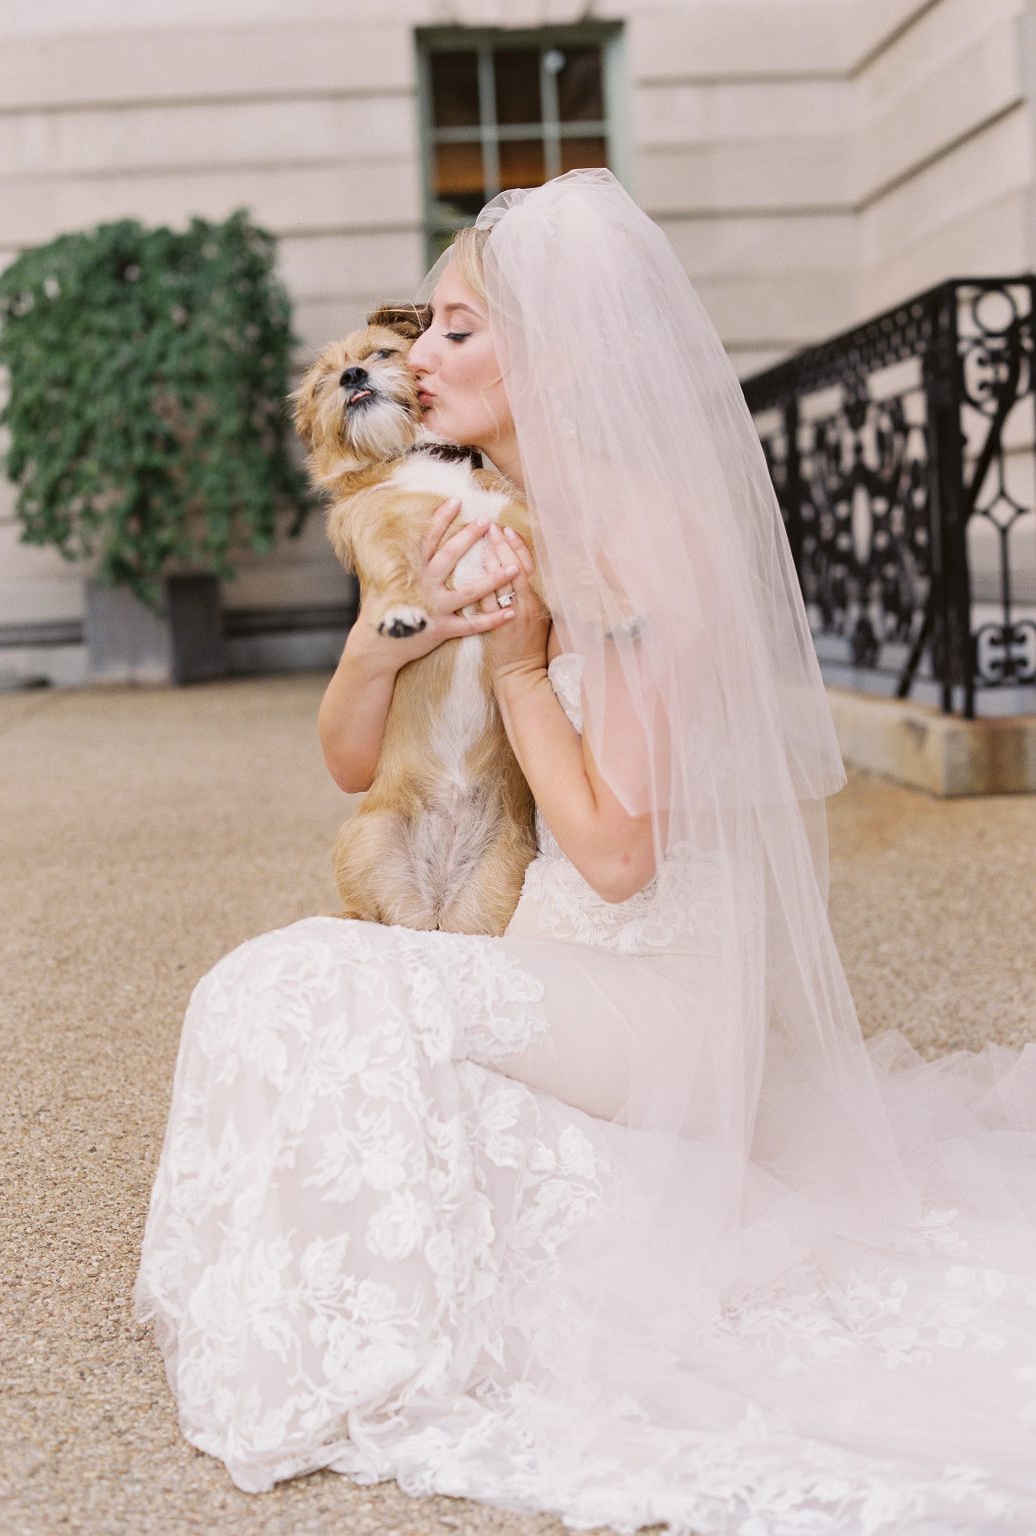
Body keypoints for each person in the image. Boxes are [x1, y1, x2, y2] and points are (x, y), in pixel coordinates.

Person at [135, 170, 1036, 1535]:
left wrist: (513, 670)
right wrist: (421, 637)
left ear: (551, 352)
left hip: (663, 984)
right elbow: (360, 749)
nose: (415, 361)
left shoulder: (649, 533)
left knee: (301, 984)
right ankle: (359, 1303)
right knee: (276, 990)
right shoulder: (492, 512)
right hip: (559, 950)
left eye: (451, 330)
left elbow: (617, 850)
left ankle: (396, 1331)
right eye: (420, 334)